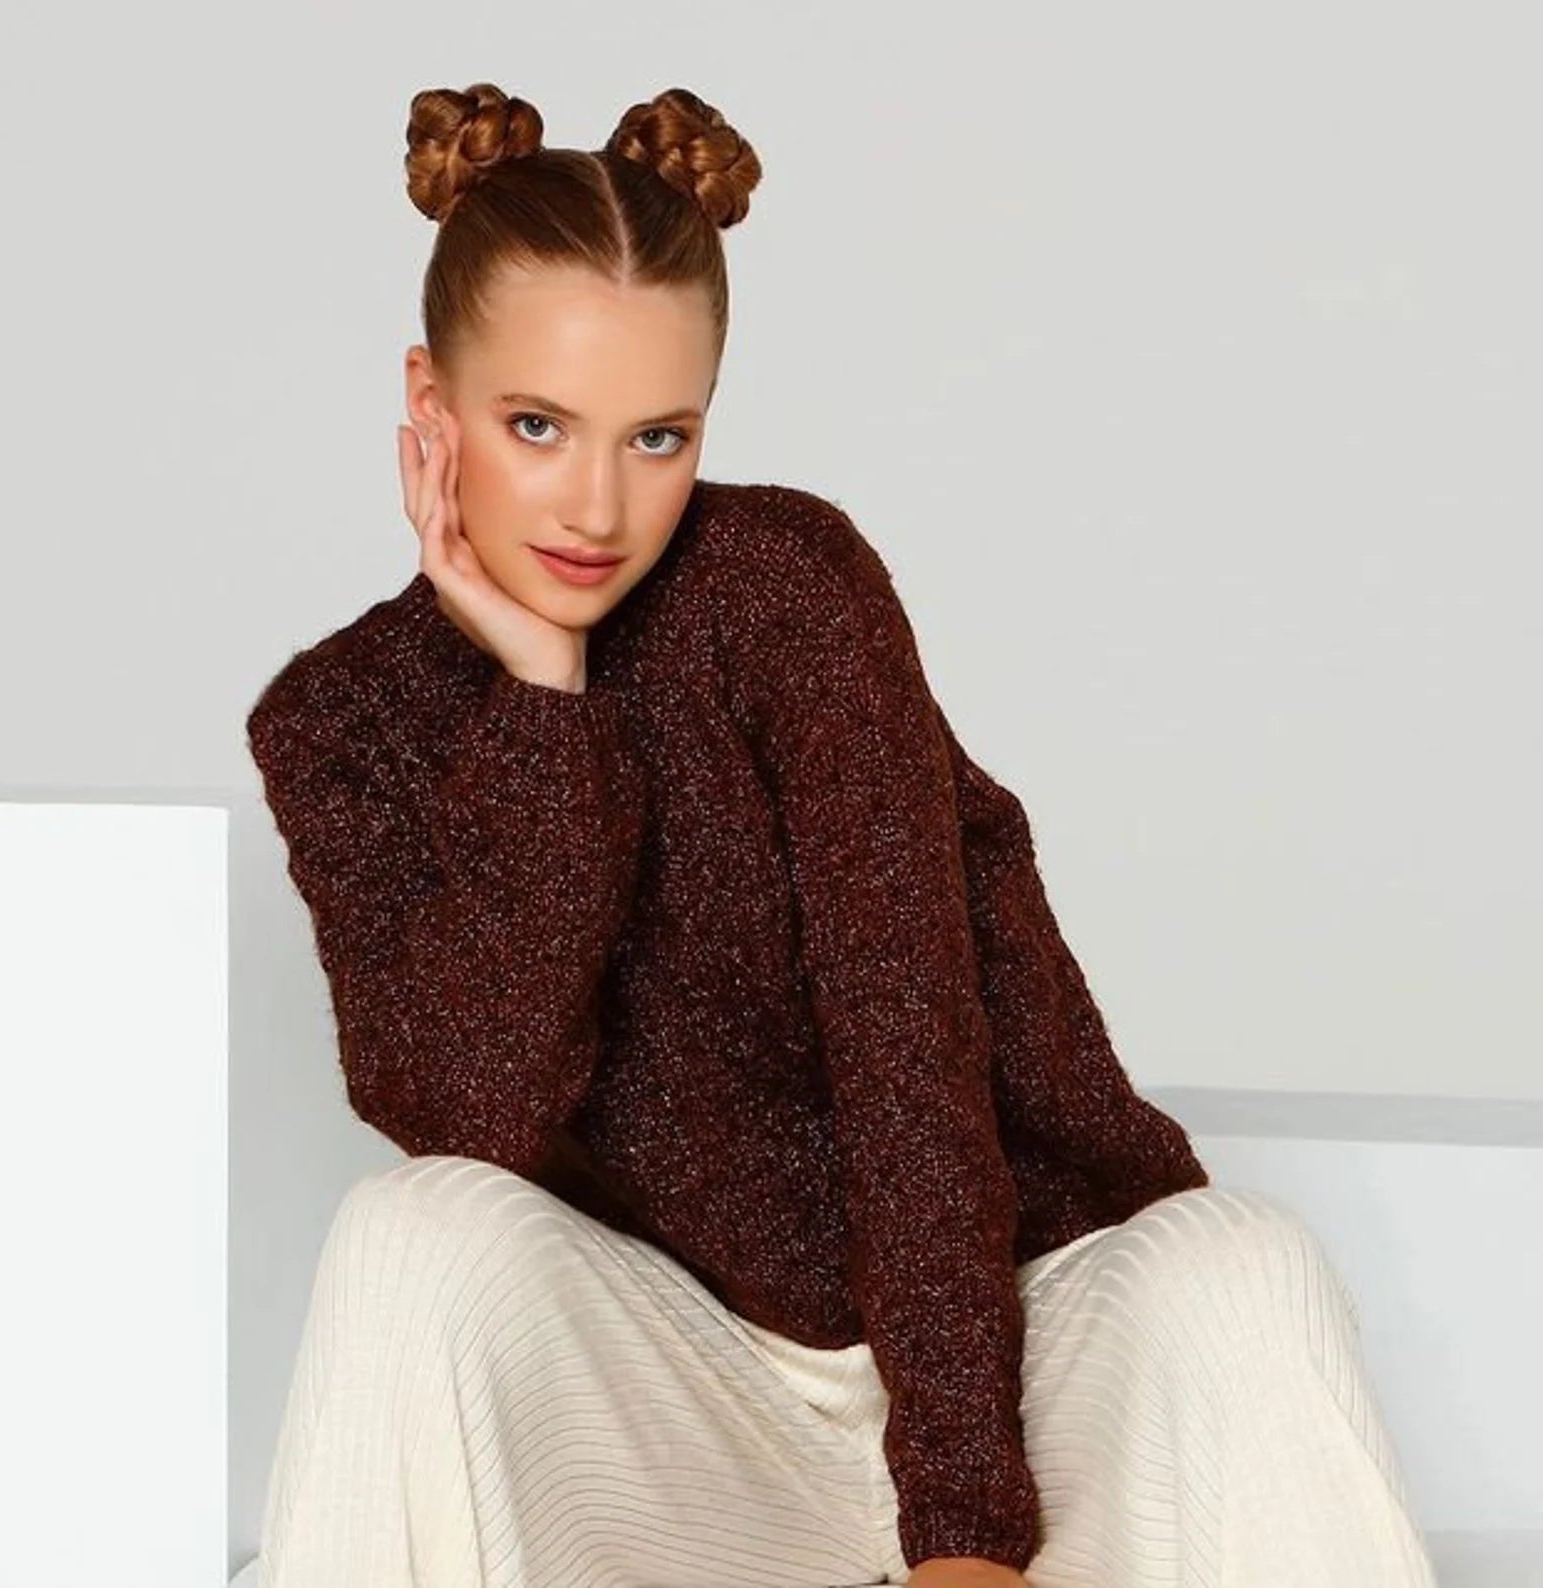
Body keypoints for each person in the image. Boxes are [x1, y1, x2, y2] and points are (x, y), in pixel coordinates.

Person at [243, 80, 1439, 1588]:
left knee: (1245, 1264)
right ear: (431, 405)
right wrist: (543, 702)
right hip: (685, 1421)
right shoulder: (341, 721)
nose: (596, 507)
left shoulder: (785, 587)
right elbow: (464, 1112)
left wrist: (965, 1531)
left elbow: (909, 1050)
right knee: (411, 1235)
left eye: (658, 437)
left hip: (1004, 1367)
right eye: (536, 426)